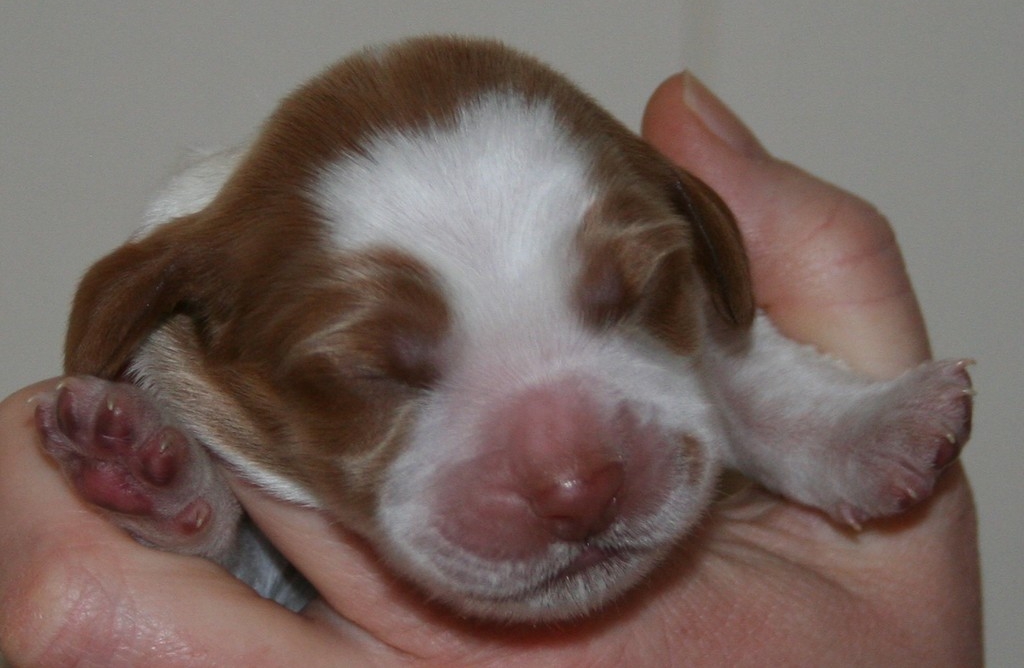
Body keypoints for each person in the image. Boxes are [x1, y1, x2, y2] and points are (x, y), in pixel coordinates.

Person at [0, 72, 981, 666]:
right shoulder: (198, 280)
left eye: (624, 301)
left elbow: (731, 349)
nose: (574, 482)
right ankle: (195, 521)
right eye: (385, 373)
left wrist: (832, 428)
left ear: (699, 227)